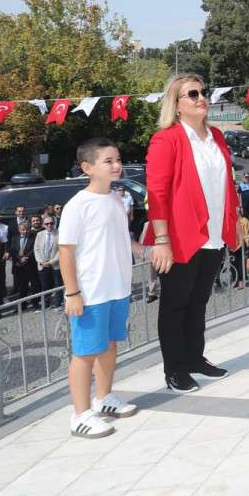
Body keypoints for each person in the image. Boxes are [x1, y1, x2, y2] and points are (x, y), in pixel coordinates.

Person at [143, 73, 241, 394]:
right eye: (193, 94)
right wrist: (161, 241)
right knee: (175, 305)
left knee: (199, 300)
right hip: (179, 238)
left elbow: (227, 183)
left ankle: (195, 359)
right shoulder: (166, 139)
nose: (202, 98)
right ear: (176, 104)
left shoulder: (216, 137)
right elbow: (157, 193)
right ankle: (175, 370)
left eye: (203, 92)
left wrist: (235, 220)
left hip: (213, 234)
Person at [59, 136, 139, 438]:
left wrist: (145, 249)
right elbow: (66, 251)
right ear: (87, 168)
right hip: (91, 293)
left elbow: (121, 238)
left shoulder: (116, 198)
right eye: (108, 161)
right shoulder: (78, 206)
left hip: (118, 288)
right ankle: (80, 414)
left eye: (118, 159)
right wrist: (73, 292)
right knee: (85, 353)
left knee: (109, 344)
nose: (116, 165)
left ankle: (104, 397)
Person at [9, 217, 41, 309]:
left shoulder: (34, 237)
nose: (25, 231)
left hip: (31, 265)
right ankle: (23, 305)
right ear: (19, 230)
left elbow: (34, 249)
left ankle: (35, 303)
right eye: (23, 230)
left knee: (34, 286)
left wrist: (25, 258)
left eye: (27, 229)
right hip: (19, 267)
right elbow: (13, 251)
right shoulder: (15, 238)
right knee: (22, 287)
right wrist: (19, 259)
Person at [35, 214, 61, 308]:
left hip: (55, 264)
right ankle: (46, 304)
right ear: (43, 225)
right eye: (47, 224)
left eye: (51, 223)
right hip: (42, 264)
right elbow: (36, 249)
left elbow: (60, 251)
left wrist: (51, 262)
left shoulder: (59, 234)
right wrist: (41, 261)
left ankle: (58, 304)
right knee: (45, 286)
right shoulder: (39, 234)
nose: (49, 225)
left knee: (58, 285)